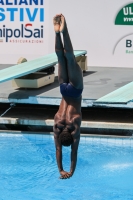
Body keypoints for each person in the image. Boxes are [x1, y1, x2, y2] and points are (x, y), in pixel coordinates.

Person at [53, 14, 83, 179]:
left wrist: (71, 171)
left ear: (71, 136)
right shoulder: (57, 123)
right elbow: (58, 150)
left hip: (76, 90)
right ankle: (57, 33)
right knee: (60, 57)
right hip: (64, 90)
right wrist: (60, 170)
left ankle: (65, 31)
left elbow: (74, 152)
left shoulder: (75, 125)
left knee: (70, 58)